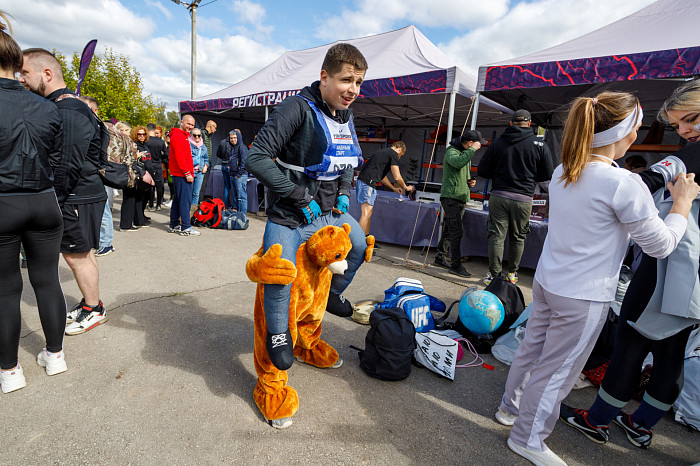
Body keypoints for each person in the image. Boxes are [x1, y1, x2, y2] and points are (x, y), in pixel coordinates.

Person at [495, 91, 699, 466]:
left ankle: (511, 410)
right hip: (583, 295)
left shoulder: (565, 169)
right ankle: (527, 438)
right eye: (638, 127)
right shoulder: (623, 183)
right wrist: (682, 204)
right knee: (557, 371)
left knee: (532, 352)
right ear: (627, 134)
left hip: (548, 282)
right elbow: (661, 245)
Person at [560, 80, 700, 450]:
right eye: (678, 125)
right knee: (674, 350)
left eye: (692, 120)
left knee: (631, 342)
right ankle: (641, 424)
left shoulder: (692, 154)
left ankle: (598, 419)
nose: (685, 132)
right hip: (695, 279)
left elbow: (658, 174)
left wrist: (635, 185)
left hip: (672, 265)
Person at [245, 43, 369, 379]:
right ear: (324, 77)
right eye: (347, 80)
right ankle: (279, 335)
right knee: (279, 274)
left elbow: (347, 157)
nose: (353, 90)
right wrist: (299, 195)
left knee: (358, 246)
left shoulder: (346, 114)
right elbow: (255, 158)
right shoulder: (295, 108)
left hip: (329, 214)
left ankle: (333, 297)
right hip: (291, 215)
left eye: (358, 82)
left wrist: (344, 190)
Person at [0, 12, 68, 392]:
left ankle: (10, 372)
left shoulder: (46, 108)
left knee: (6, 289)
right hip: (43, 202)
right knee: (46, 281)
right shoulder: (47, 107)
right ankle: (55, 356)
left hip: (5, 203)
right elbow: (57, 160)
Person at [19, 47, 109, 336]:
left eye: (24, 72)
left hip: (75, 195)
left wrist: (53, 201)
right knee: (82, 253)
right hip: (80, 194)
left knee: (76, 255)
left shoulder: (69, 109)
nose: (21, 79)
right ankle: (90, 303)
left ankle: (94, 309)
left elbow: (68, 163)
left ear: (47, 73)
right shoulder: (66, 105)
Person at [478, 109, 554, 285]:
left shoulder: (498, 143)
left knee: (497, 236)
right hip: (524, 198)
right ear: (529, 124)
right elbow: (547, 174)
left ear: (511, 123)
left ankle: (494, 275)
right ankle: (512, 274)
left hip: (499, 195)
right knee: (518, 237)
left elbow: (483, 170)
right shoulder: (539, 144)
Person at [433, 131, 484, 277]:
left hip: (459, 197)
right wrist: (472, 150)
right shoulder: (452, 152)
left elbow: (460, 170)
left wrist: (469, 182)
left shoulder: (463, 152)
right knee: (456, 231)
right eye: (476, 144)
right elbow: (457, 162)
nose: (478, 147)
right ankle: (456, 265)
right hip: (450, 197)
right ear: (469, 143)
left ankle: (440, 257)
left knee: (450, 230)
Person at [355, 140, 414, 244]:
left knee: (369, 212)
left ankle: (366, 240)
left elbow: (382, 177)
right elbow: (397, 176)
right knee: (366, 213)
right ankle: (357, 244)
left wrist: (393, 188)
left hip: (366, 182)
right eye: (401, 156)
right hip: (368, 183)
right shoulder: (393, 154)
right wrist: (406, 187)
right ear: (400, 149)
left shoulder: (383, 153)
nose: (399, 158)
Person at [79, 95, 116, 257]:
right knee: (100, 208)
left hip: (99, 173)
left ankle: (106, 243)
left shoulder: (99, 128)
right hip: (95, 172)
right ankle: (102, 241)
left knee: (103, 209)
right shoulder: (93, 126)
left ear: (94, 110)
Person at [168, 115, 199, 236]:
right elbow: (180, 157)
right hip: (182, 174)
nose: (190, 127)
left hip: (180, 173)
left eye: (192, 125)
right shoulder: (179, 136)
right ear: (182, 122)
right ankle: (186, 227)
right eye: (188, 124)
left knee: (177, 200)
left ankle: (174, 224)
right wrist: (187, 173)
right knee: (185, 201)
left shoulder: (182, 136)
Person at [226, 129, 248, 216]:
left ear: (238, 138)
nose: (233, 140)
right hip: (233, 175)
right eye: (231, 138)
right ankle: (236, 214)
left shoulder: (242, 147)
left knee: (241, 197)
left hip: (240, 176)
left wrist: (238, 175)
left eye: (235, 138)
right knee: (235, 197)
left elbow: (244, 163)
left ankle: (242, 215)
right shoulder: (232, 148)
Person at [146, 123, 166, 211]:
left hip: (149, 164)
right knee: (159, 185)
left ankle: (150, 204)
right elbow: (166, 154)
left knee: (150, 185)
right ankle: (158, 204)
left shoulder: (146, 141)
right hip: (158, 164)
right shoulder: (161, 141)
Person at [189, 127, 209, 207]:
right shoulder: (188, 145)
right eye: (195, 135)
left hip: (200, 172)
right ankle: (186, 211)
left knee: (196, 193)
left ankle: (193, 212)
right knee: (188, 193)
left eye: (199, 135)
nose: (197, 137)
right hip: (190, 172)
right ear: (191, 135)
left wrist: (206, 166)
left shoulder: (203, 146)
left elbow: (206, 159)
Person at [199, 120, 217, 203]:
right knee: (201, 186)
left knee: (204, 185)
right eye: (215, 128)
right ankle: (197, 204)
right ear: (211, 126)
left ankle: (199, 203)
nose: (215, 130)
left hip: (208, 164)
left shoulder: (209, 135)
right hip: (203, 165)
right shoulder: (202, 134)